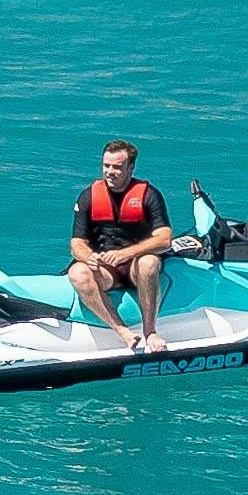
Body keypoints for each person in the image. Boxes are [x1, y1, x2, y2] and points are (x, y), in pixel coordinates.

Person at [67, 140, 178, 352]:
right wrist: (89, 256)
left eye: (117, 167)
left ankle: (150, 331)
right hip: (107, 271)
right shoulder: (88, 196)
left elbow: (164, 239)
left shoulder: (149, 195)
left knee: (148, 262)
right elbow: (76, 243)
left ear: (130, 168)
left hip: (136, 267)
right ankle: (122, 331)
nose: (110, 172)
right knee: (78, 272)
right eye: (106, 166)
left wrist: (125, 254)